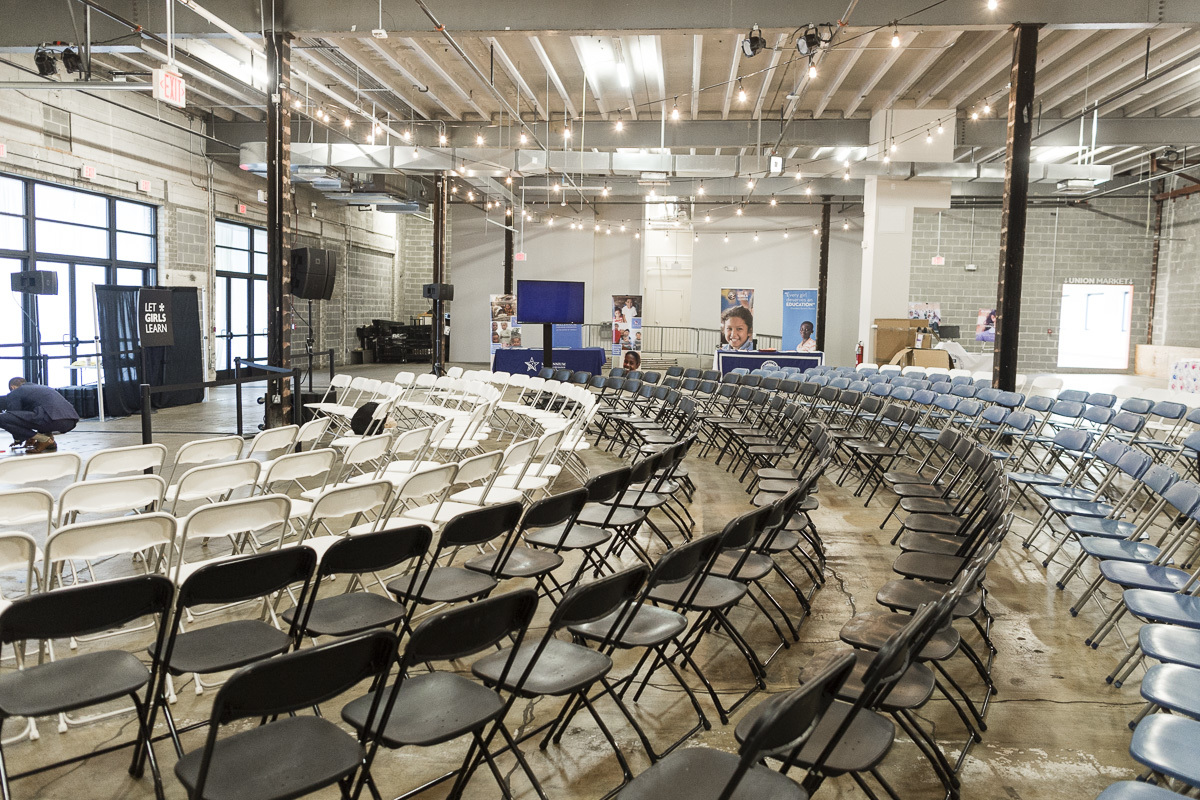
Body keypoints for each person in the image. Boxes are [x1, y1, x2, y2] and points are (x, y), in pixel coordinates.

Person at [0, 378, 80, 453]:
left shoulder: (16, 392)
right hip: (70, 421)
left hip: (51, 419)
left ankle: (43, 439)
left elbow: (14, 416)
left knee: (3, 418)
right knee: (39, 414)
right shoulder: (42, 388)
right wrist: (30, 436)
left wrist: (19, 439)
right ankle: (50, 441)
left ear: (12, 387)